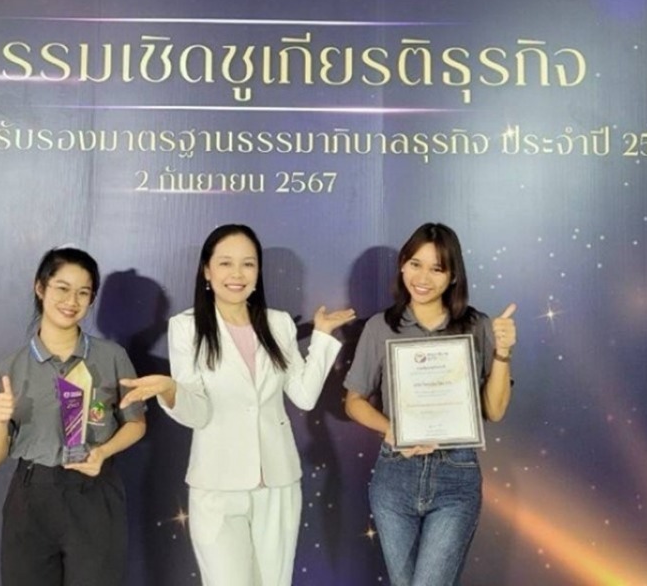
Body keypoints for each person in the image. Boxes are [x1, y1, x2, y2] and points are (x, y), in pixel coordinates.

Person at [120, 224, 355, 586]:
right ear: (207, 271)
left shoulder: (278, 324)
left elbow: (304, 396)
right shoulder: (186, 327)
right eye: (225, 263)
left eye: (248, 264)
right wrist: (170, 390)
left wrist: (322, 337)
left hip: (278, 483)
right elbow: (198, 413)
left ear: (258, 272)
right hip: (217, 485)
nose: (237, 274)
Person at [343, 223, 517, 586]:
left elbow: (495, 410)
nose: (422, 278)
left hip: (456, 475)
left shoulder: (477, 326)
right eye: (415, 264)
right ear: (402, 266)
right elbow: (354, 402)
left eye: (437, 269)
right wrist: (393, 430)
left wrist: (502, 353)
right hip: (395, 476)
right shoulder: (380, 327)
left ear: (453, 276)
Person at [0, 246, 147, 586]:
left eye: (83, 292)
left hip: (94, 493)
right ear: (40, 288)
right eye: (62, 288)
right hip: (32, 497)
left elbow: (136, 424)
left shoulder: (112, 357)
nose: (72, 301)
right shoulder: (10, 368)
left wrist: (102, 452)